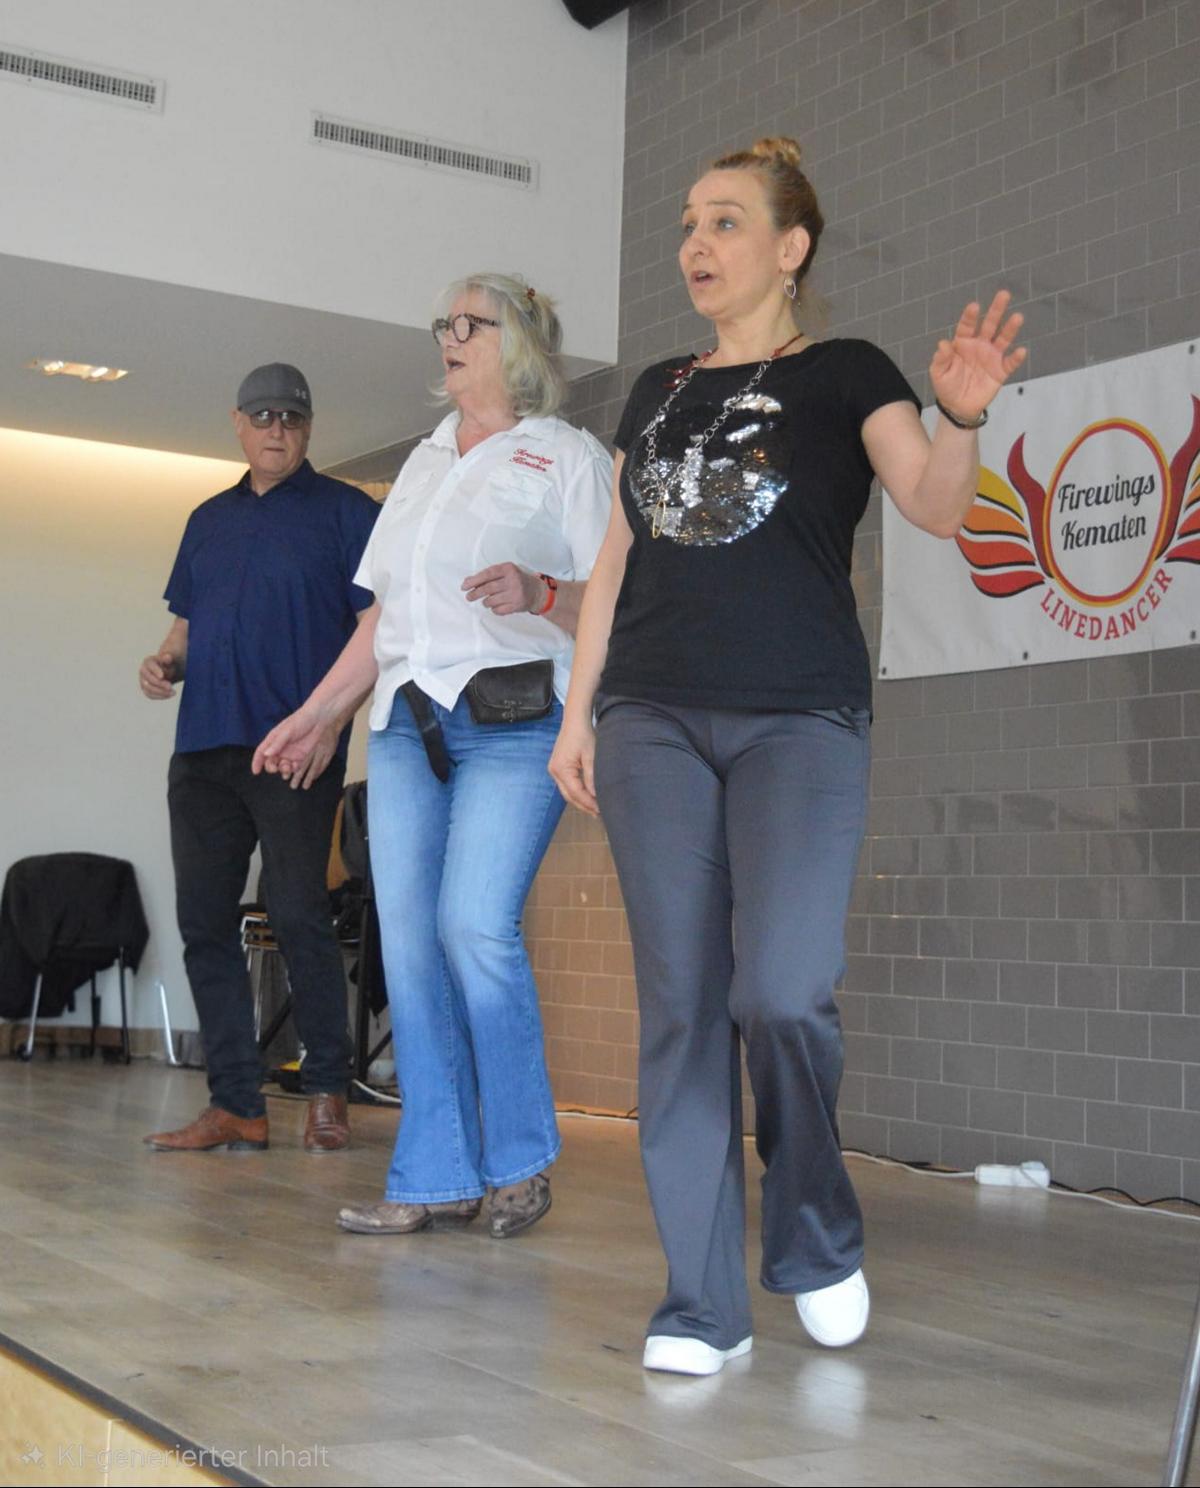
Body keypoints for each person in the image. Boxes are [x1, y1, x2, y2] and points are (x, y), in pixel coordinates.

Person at [549, 137, 1026, 1375]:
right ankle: (700, 1306)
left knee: (780, 991)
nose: (695, 245)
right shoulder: (655, 389)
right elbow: (615, 561)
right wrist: (577, 713)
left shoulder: (848, 371)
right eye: (687, 224)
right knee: (683, 1011)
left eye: (725, 221)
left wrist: (963, 414)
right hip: (651, 716)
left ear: (791, 246)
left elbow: (936, 505)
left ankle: (814, 1230)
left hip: (799, 720)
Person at [254, 275, 611, 1238]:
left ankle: (519, 1162)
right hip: (409, 730)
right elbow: (383, 618)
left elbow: (618, 605)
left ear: (521, 341)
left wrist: (542, 592)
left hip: (517, 721)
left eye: (469, 324)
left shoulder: (567, 457)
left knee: (473, 928)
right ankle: (436, 1175)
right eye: (443, 324)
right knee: (408, 948)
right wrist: (319, 714)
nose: (449, 337)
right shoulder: (422, 462)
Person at [140, 363, 379, 1154]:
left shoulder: (348, 513)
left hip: (294, 754)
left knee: (299, 913)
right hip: (202, 752)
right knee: (204, 925)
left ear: (308, 429)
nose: (278, 428)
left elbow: (379, 630)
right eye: (264, 416)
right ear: (238, 423)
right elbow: (185, 630)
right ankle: (235, 1103)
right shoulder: (206, 520)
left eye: (292, 417)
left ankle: (327, 1089)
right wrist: (164, 664)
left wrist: (330, 725)